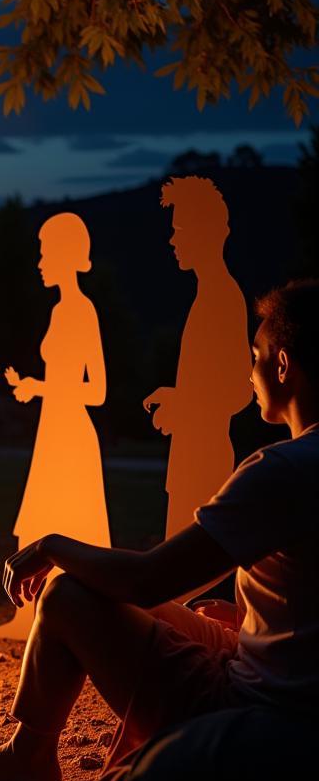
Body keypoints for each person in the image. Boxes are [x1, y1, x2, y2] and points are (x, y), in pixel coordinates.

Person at [0, 279, 319, 781]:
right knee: (149, 605)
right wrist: (252, 619)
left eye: (255, 358)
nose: (251, 373)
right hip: (283, 669)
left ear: (284, 364)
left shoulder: (284, 471)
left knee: (68, 592)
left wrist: (55, 544)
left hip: (263, 704)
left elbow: (148, 580)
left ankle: (29, 754)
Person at [0, 212, 110, 641]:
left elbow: (96, 390)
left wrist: (42, 386)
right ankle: (30, 616)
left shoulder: (81, 310)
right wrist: (35, 387)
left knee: (70, 524)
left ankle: (81, 616)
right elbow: (60, 381)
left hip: (71, 431)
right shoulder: (60, 310)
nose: (40, 263)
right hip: (52, 427)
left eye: (45, 253)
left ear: (66, 255)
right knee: (39, 517)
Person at [143, 177, 252, 549]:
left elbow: (239, 390)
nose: (173, 241)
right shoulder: (208, 297)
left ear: (212, 233)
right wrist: (178, 398)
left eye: (181, 231)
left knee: (187, 570)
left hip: (204, 458)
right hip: (191, 454)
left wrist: (184, 404)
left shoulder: (222, 299)